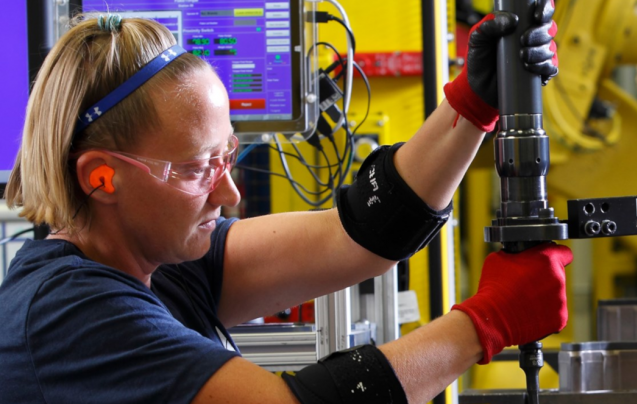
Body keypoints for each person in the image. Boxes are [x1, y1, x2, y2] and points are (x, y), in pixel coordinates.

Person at [0, 2, 568, 403]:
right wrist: (486, 322)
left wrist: (470, 106)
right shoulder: (69, 313)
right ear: (101, 178)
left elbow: (361, 236)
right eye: (198, 170)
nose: (228, 193)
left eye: (228, 157)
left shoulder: (155, 260)